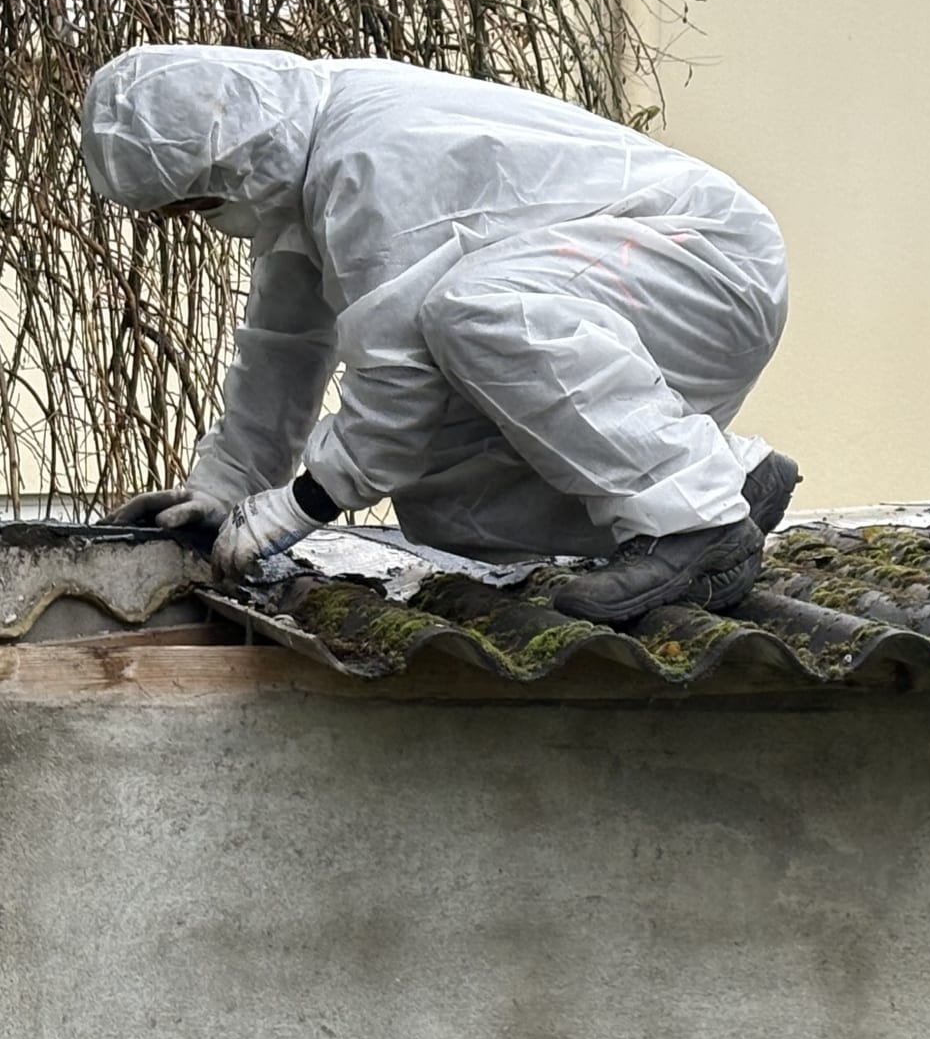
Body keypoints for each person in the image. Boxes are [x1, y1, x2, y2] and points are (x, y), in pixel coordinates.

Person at [82, 45, 795, 625]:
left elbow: (396, 380)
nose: (200, 218)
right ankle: (729, 479)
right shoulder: (300, 167)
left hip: (705, 265)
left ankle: (697, 524)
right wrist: (227, 489)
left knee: (474, 309)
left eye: (196, 202)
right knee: (438, 497)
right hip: (618, 288)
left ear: (229, 157)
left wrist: (301, 505)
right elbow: (282, 347)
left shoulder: (366, 160)